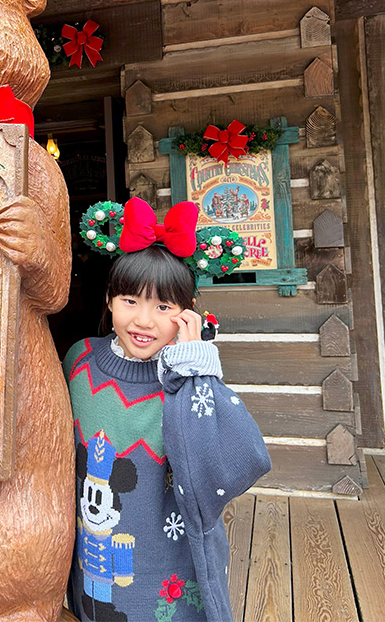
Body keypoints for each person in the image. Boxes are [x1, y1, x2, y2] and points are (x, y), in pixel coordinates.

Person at [64, 198, 270, 622]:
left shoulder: (188, 380)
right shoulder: (78, 361)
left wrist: (198, 371)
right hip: (93, 560)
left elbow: (237, 461)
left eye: (163, 307)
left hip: (170, 572)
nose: (143, 320)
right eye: (130, 301)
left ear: (187, 311)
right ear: (108, 298)